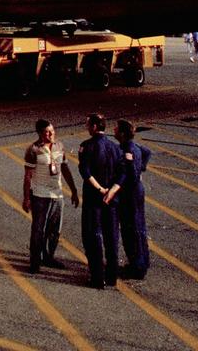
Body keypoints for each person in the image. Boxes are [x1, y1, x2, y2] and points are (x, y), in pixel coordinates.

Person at [22, 118, 79, 274]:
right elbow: (27, 177)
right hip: (40, 194)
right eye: (47, 132)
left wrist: (73, 190)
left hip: (57, 194)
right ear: (40, 133)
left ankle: (48, 256)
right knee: (38, 229)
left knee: (55, 229)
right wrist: (26, 198)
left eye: (52, 131)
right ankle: (35, 261)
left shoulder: (59, 146)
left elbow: (65, 168)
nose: (51, 134)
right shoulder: (33, 150)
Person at [76, 113, 123, 288]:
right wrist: (111, 191)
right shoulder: (115, 147)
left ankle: (97, 277)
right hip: (111, 199)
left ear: (95, 127)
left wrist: (100, 189)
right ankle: (112, 277)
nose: (87, 127)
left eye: (88, 125)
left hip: (93, 200)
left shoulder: (86, 146)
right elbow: (122, 173)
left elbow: (85, 172)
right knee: (111, 237)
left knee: (93, 236)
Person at [114, 119, 152, 279]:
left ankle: (136, 266)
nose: (114, 131)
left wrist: (134, 167)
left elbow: (133, 176)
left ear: (122, 133)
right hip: (138, 192)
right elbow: (148, 152)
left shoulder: (125, 150)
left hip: (130, 193)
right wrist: (142, 165)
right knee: (139, 227)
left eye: (116, 129)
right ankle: (143, 261)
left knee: (131, 229)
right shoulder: (134, 146)